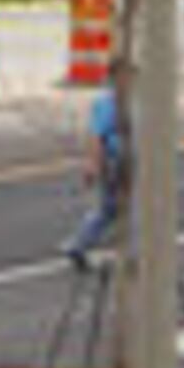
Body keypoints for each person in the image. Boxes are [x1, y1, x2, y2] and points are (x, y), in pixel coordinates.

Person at [61, 81, 127, 270]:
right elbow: (96, 137)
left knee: (117, 208)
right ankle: (79, 244)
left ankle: (85, 243)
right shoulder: (109, 103)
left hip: (125, 159)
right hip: (115, 161)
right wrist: (93, 166)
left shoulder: (126, 100)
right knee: (110, 208)